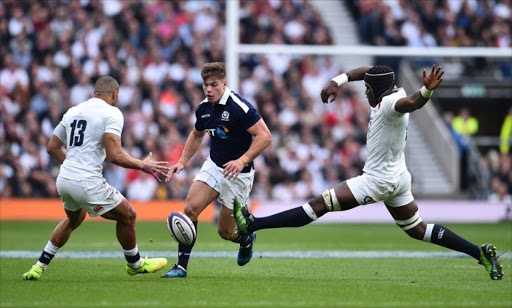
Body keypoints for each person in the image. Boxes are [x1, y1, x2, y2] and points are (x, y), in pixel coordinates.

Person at [233, 64, 504, 281]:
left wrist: (426, 92)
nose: (364, 93)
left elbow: (411, 103)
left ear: (377, 89)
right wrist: (337, 80)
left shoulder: (390, 104)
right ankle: (479, 252)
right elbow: (368, 71)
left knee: (320, 204)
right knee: (418, 229)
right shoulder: (387, 91)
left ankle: (252, 224)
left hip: (378, 181)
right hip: (397, 176)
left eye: (367, 89)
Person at [23, 76, 170, 280]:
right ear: (115, 94)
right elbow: (114, 155)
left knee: (74, 219)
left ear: (94, 93)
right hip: (86, 181)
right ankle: (135, 264)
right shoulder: (112, 113)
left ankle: (39, 266)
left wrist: (72, 167)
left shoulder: (73, 111)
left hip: (64, 179)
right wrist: (142, 165)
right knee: (128, 215)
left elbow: (52, 147)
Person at [161, 62, 272, 278]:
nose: (209, 90)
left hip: (238, 174)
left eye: (214, 85)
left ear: (224, 84)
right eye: (205, 85)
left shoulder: (239, 107)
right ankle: (181, 267)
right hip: (214, 165)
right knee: (191, 208)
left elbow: (265, 136)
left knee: (226, 232)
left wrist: (242, 160)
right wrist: (182, 161)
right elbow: (196, 134)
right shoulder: (203, 109)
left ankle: (246, 239)